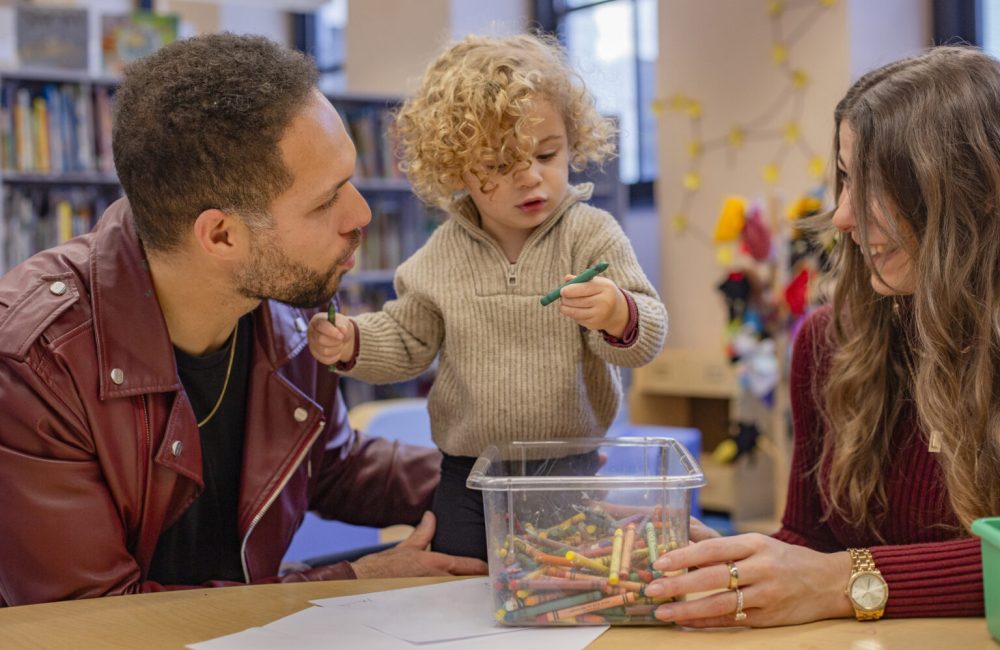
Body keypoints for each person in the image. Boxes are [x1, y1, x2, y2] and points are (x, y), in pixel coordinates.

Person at [0, 33, 487, 607]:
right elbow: (90, 618)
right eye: (327, 200)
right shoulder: (33, 362)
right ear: (222, 235)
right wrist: (349, 584)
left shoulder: (280, 311)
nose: (361, 214)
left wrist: (515, 484)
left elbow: (329, 465)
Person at [643, 45, 996, 627]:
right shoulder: (829, 342)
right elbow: (810, 541)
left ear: (976, 188)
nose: (842, 216)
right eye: (846, 179)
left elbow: (832, 574)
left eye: (879, 184)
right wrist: (730, 564)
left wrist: (842, 580)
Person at [308, 33, 668, 560]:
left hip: (568, 471)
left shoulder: (592, 234)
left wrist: (619, 312)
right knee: (463, 590)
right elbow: (408, 338)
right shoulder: (443, 253)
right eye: (499, 166)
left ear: (573, 140)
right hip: (468, 475)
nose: (530, 177)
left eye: (547, 153)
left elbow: (644, 338)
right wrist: (352, 341)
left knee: (569, 590)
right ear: (457, 172)